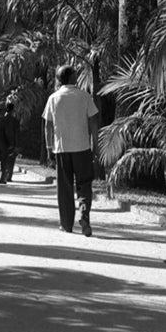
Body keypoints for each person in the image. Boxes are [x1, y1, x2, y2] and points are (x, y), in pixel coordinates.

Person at [43, 64, 100, 236]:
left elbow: (47, 126)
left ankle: (66, 224)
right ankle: (84, 215)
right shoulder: (84, 96)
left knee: (65, 188)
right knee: (84, 184)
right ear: (72, 77)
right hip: (82, 148)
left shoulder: (53, 98)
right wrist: (95, 145)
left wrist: (49, 148)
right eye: (75, 74)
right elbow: (94, 123)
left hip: (62, 149)